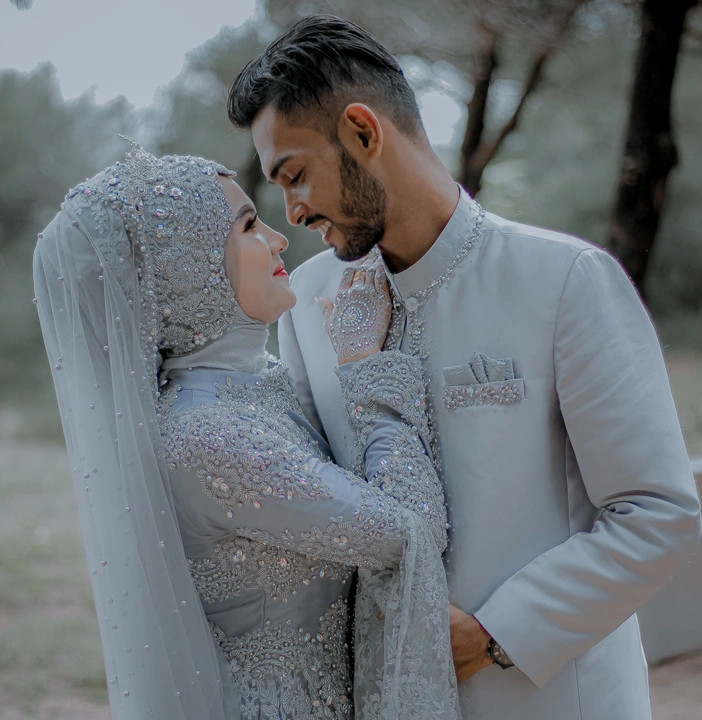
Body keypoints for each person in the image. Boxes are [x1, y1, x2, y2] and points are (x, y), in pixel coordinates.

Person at [227, 14, 702, 720]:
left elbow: (657, 515)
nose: (291, 212)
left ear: (363, 132)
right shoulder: (308, 304)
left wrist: (495, 636)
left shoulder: (563, 280)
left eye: (295, 175)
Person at [33, 138, 461, 719]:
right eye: (249, 225)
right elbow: (412, 533)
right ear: (189, 270)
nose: (279, 238)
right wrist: (370, 369)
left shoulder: (258, 384)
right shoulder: (207, 437)